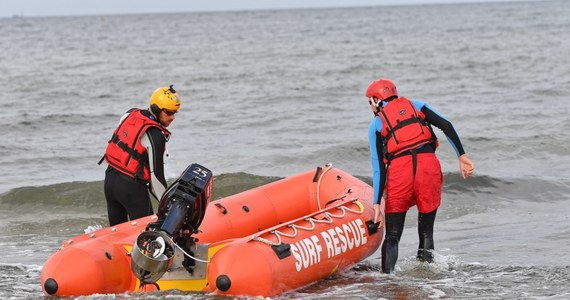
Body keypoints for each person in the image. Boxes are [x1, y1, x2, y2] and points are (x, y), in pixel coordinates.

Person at [365, 79, 474, 273]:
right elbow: (446, 125)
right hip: (428, 166)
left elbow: (378, 169)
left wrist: (376, 205)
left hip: (400, 171)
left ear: (376, 100)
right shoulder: (416, 105)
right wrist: (462, 156)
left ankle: (387, 282)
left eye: (369, 102)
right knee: (426, 231)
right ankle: (427, 280)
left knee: (392, 234)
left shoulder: (375, 124)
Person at [100, 85, 181, 226]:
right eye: (168, 112)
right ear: (156, 110)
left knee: (118, 234)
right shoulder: (155, 135)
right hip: (131, 189)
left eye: (175, 112)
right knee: (147, 237)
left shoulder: (129, 114)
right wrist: (169, 208)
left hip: (110, 180)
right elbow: (156, 179)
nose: (173, 117)